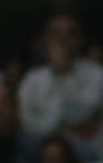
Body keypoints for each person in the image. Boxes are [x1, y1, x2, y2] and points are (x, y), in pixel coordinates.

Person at [18, 17, 103, 155]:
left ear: (80, 41)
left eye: (70, 33)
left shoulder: (97, 74)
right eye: (56, 33)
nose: (63, 39)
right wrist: (60, 125)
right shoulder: (32, 78)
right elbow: (28, 121)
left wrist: (62, 71)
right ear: (46, 40)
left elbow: (83, 112)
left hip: (86, 146)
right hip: (44, 146)